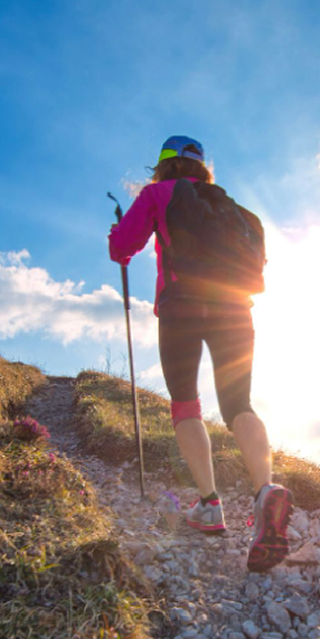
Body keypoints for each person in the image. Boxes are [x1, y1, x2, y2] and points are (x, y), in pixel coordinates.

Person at [108, 135, 293, 573]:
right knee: (238, 405)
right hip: (234, 308)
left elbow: (121, 248)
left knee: (186, 405)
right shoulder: (233, 209)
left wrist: (118, 229)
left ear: (163, 166)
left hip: (181, 308)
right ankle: (266, 492)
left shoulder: (157, 194)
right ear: (202, 168)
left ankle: (209, 505)